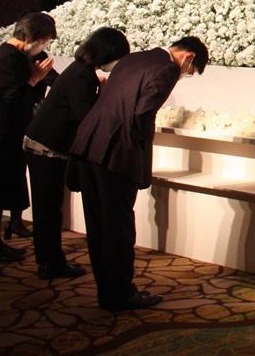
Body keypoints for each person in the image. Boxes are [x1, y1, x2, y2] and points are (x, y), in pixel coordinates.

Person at [70, 35, 208, 311]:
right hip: (116, 154)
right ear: (188, 57)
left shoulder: (133, 58)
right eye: (190, 72)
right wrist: (139, 156)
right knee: (118, 227)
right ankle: (121, 293)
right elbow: (142, 115)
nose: (185, 75)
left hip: (88, 145)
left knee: (98, 225)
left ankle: (107, 292)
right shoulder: (167, 68)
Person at [24, 27, 131, 280]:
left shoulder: (81, 71)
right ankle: (50, 263)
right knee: (48, 209)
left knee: (49, 208)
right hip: (46, 147)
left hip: (45, 144)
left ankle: (50, 261)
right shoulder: (83, 76)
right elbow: (85, 115)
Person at [0, 11, 57, 262]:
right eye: (44, 39)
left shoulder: (28, 56)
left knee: (9, 184)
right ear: (31, 36)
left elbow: (53, 78)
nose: (44, 45)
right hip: (2, 134)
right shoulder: (5, 57)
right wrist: (33, 80)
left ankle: (8, 232)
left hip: (16, 132)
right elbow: (10, 99)